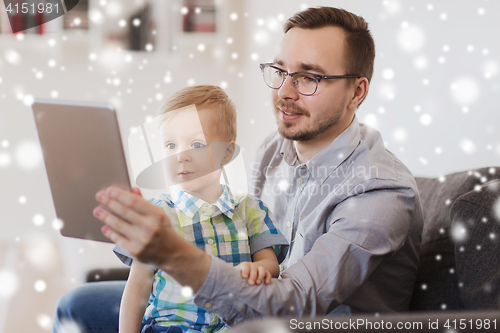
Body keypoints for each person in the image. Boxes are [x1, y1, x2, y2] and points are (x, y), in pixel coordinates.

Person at [53, 6, 423, 333]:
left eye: (308, 77)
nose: (284, 92)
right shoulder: (274, 150)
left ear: (357, 92)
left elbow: (292, 307)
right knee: (77, 304)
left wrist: (175, 255)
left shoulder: (381, 194)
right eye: (280, 71)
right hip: (240, 311)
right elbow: (233, 231)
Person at [117, 86, 287, 333]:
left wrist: (258, 269)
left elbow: (271, 263)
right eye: (171, 145)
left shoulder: (250, 209)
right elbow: (138, 286)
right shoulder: (157, 214)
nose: (181, 156)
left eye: (196, 144)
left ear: (226, 153)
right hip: (170, 328)